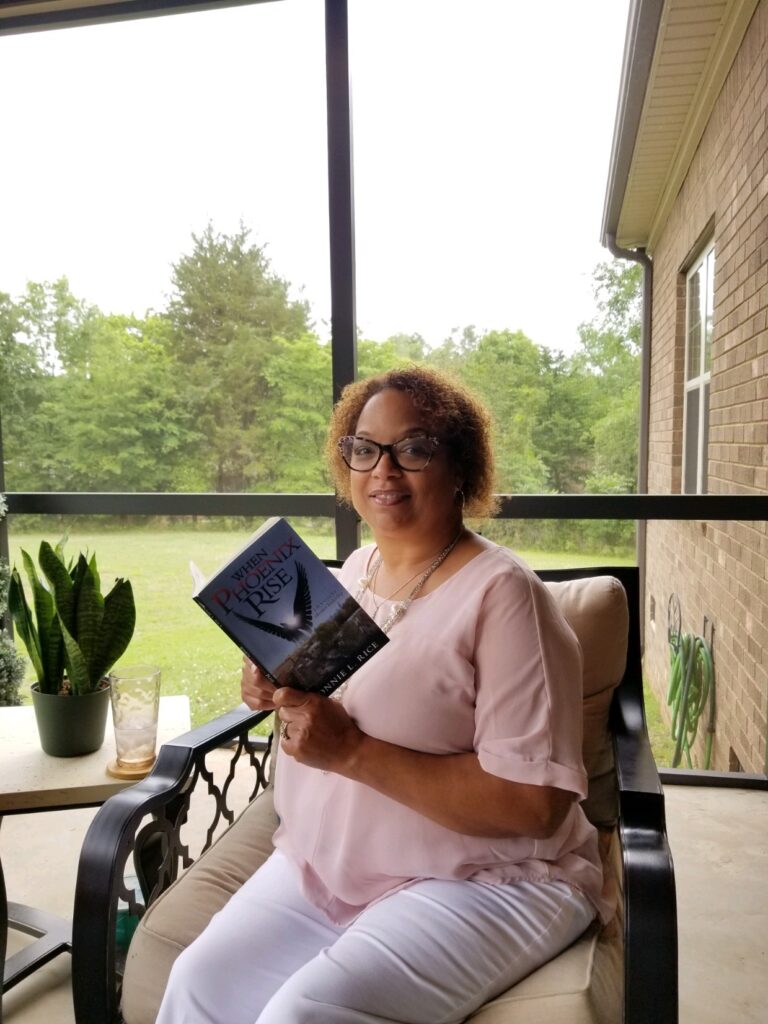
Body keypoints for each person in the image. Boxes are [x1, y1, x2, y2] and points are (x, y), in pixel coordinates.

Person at [156, 366, 610, 1024]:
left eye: (415, 448)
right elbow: (351, 688)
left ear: (460, 465)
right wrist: (273, 678)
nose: (384, 471)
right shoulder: (358, 570)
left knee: (301, 1015)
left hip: (483, 878)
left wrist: (351, 753)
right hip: (333, 862)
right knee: (198, 982)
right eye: (364, 449)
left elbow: (535, 805)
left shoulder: (506, 598)